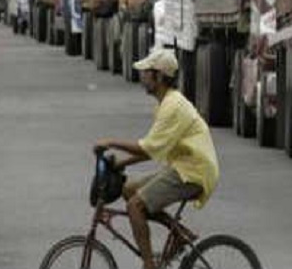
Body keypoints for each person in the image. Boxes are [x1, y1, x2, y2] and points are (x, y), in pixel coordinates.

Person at [94, 49, 219, 269]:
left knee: (135, 206)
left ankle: (149, 265)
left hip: (193, 173)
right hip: (182, 167)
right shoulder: (165, 103)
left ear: (159, 76)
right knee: (128, 189)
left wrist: (111, 142)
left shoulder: (173, 106)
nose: (142, 77)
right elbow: (153, 149)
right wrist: (120, 164)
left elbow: (148, 148)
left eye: (146, 73)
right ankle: (179, 233)